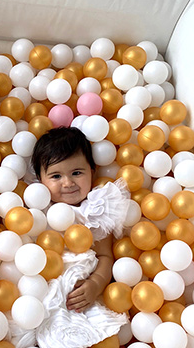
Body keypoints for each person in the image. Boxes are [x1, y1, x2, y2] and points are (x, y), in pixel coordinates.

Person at [12, 127, 129, 348]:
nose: (68, 183)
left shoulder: (95, 209)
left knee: (87, 334)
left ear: (92, 170)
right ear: (40, 180)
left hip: (78, 291)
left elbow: (105, 256)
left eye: (77, 172)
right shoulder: (38, 208)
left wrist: (95, 284)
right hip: (40, 285)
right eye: (56, 176)